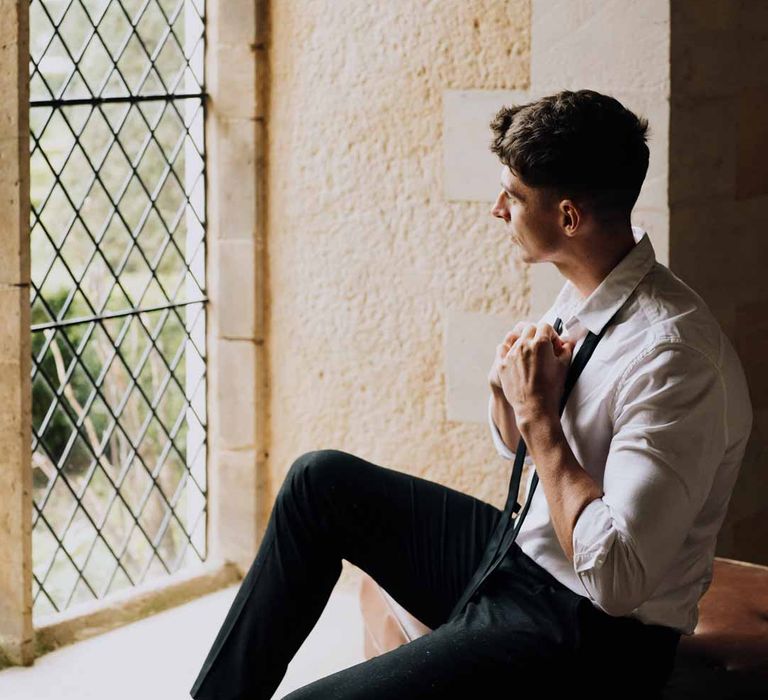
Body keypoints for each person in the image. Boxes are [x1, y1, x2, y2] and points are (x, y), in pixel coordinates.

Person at [189, 89, 753, 699]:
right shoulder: (586, 296)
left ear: (567, 217)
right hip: (519, 556)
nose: (495, 209)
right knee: (317, 482)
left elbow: (617, 579)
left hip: (591, 634)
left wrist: (539, 416)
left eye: (512, 196)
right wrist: (508, 395)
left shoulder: (675, 360)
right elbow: (523, 452)